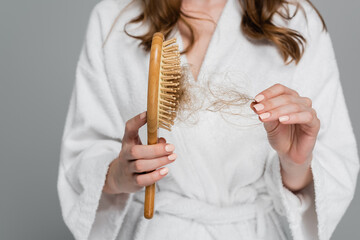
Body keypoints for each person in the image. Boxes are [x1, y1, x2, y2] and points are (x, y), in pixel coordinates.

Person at [57, 0, 359, 239]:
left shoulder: (296, 20)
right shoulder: (113, 20)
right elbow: (82, 153)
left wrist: (295, 162)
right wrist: (118, 176)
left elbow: (334, 164)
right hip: (156, 230)